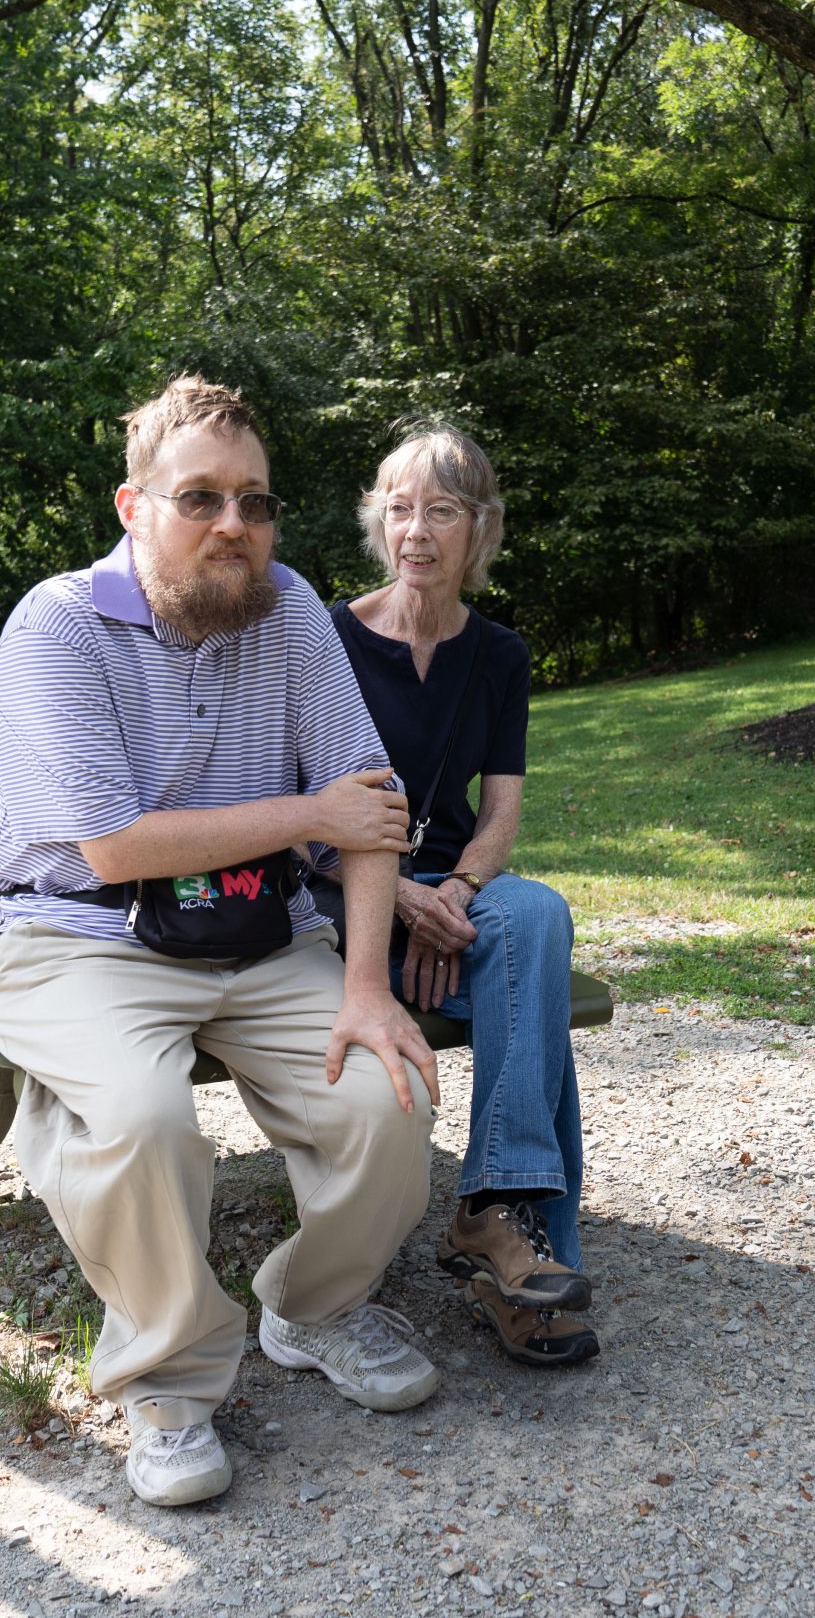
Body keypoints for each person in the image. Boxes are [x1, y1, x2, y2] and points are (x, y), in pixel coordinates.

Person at [0, 376, 443, 1510]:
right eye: (200, 498)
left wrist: (369, 989)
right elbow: (117, 847)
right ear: (134, 507)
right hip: (79, 936)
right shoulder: (59, 624)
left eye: (255, 501)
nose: (234, 524)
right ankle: (170, 1383)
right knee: (139, 1118)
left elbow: (368, 806)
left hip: (254, 930)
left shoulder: (287, 613)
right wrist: (309, 819)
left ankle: (312, 1308)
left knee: (388, 1096)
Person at [325, 427, 598, 1368]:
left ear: (478, 529)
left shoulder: (501, 654)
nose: (417, 531)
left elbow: (501, 811)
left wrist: (462, 890)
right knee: (538, 1005)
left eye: (441, 510)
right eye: (399, 508)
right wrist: (402, 895)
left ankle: (494, 1211)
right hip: (349, 899)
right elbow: (300, 813)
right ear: (378, 522)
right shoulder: (328, 638)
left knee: (537, 915)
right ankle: (524, 1263)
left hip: (456, 898)